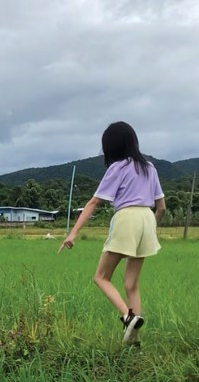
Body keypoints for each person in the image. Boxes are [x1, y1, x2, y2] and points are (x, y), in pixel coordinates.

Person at [59, 121, 166, 345]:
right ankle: (134, 339)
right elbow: (162, 207)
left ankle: (128, 317)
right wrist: (149, 230)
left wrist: (72, 234)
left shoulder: (117, 167)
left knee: (101, 277)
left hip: (127, 217)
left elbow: (94, 201)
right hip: (148, 218)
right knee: (131, 284)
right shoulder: (149, 167)